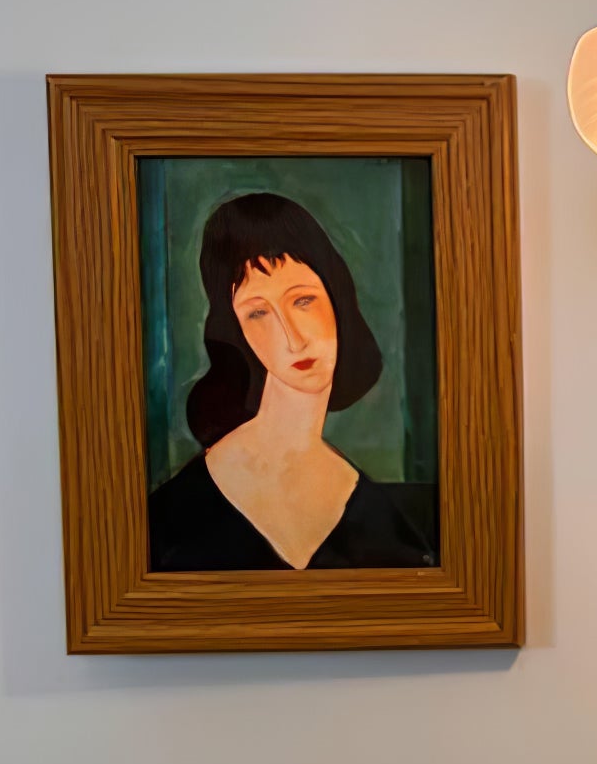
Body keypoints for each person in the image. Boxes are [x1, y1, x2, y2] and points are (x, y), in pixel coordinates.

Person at [148, 192, 434, 571]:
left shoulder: (383, 521)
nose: (292, 338)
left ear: (336, 296)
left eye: (302, 301)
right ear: (235, 332)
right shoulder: (173, 516)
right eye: (258, 313)